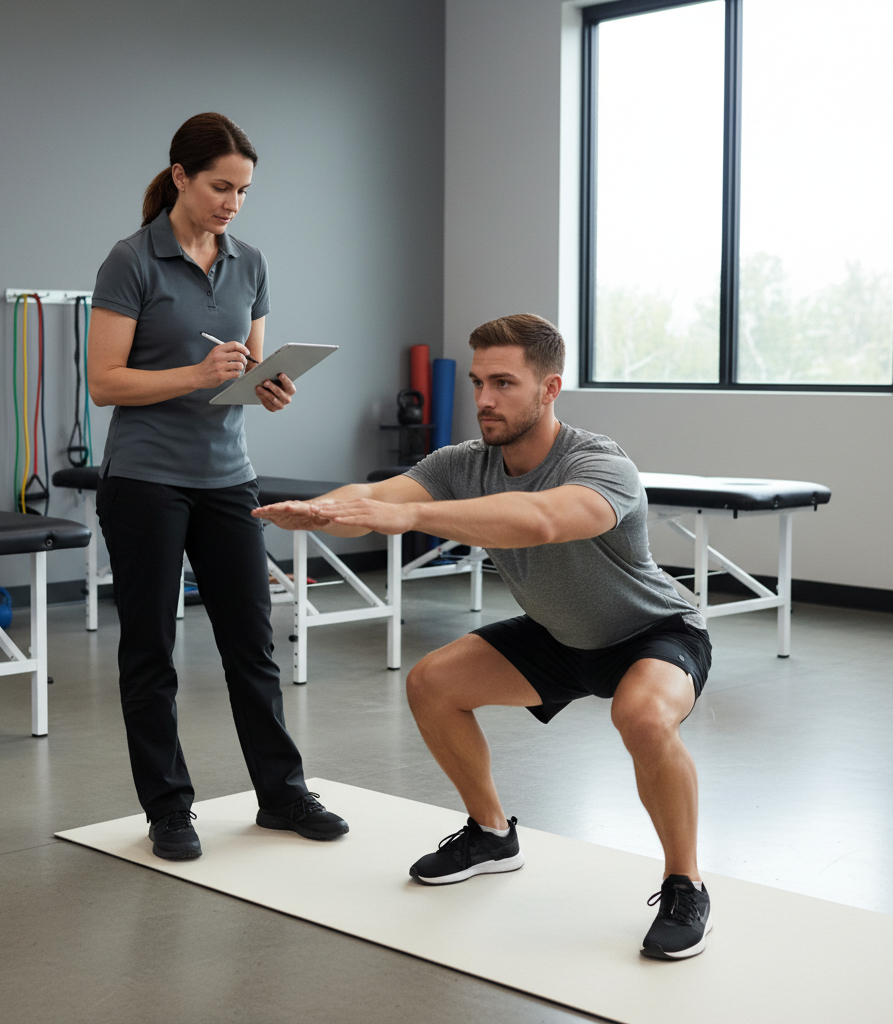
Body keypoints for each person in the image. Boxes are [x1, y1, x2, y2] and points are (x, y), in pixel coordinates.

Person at [253, 313, 713, 959]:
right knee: (431, 683)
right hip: (560, 635)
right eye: (477, 383)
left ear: (550, 389)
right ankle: (492, 835)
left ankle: (685, 881)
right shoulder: (462, 463)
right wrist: (326, 509)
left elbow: (542, 519)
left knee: (641, 718)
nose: (485, 400)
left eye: (504, 383)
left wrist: (409, 513)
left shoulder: (599, 462)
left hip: (651, 631)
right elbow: (378, 496)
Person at [88, 112, 347, 860]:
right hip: (145, 481)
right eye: (221, 186)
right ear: (181, 177)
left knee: (252, 644)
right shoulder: (130, 260)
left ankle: (282, 794)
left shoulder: (250, 262)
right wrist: (194, 375)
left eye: (244, 190)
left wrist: (267, 386)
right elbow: (105, 383)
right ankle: (169, 809)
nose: (233, 201)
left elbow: (247, 366)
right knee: (151, 650)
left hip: (228, 476)